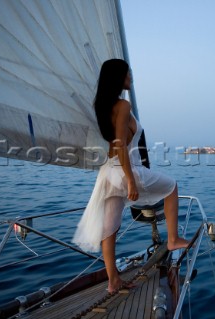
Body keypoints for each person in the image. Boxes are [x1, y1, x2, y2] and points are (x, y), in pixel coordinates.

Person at [72, 59, 189, 294]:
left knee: (110, 227)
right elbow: (120, 144)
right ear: (118, 77)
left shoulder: (103, 105)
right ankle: (173, 238)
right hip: (126, 170)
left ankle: (113, 280)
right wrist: (132, 180)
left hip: (108, 172)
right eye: (127, 72)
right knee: (171, 187)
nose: (131, 75)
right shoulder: (124, 105)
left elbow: (114, 145)